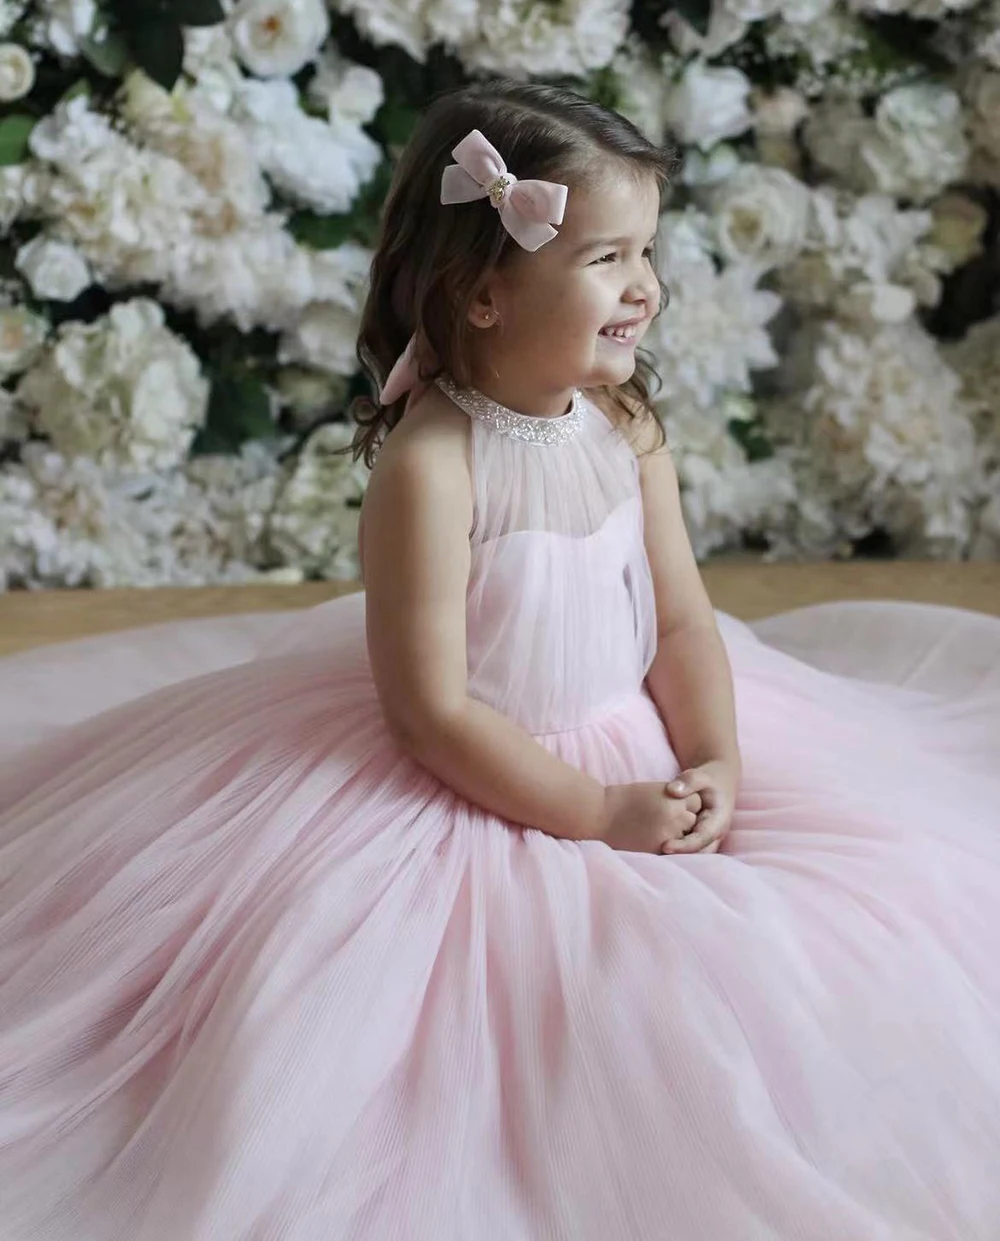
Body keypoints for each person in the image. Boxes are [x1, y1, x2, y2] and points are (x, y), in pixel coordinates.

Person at [1, 78, 999, 1241]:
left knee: (858, 939)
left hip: (627, 724)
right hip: (479, 763)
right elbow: (429, 712)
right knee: (527, 1038)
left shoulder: (625, 425)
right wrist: (593, 809)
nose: (644, 288)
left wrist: (713, 755)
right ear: (483, 290)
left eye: (647, 254)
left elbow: (680, 620)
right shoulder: (432, 466)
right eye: (607, 258)